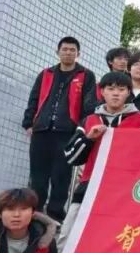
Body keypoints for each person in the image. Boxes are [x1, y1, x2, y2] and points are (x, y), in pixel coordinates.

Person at [60, 70, 140, 253]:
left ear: (128, 93)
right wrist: (88, 139)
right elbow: (71, 157)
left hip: (122, 194)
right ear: (102, 92)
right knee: (67, 240)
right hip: (88, 189)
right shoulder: (90, 119)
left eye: (121, 89)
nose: (115, 94)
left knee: (105, 246)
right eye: (110, 89)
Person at [22, 36, 96, 221]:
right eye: (65, 49)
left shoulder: (86, 75)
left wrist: (82, 128)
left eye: (72, 50)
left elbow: (89, 104)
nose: (68, 53)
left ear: (78, 54)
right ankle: (35, 212)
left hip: (67, 132)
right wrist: (29, 123)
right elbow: (34, 98)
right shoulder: (46, 74)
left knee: (61, 175)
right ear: (58, 52)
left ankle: (55, 213)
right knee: (37, 175)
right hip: (41, 130)